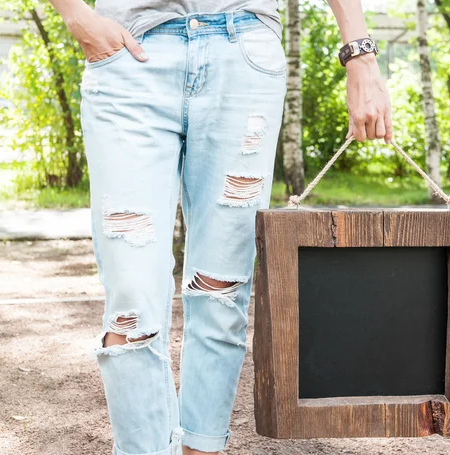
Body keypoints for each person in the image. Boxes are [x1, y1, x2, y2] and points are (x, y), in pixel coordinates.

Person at [48, 0, 393, 454]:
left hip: (244, 56)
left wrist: (361, 54)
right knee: (131, 299)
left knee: (220, 289)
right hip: (130, 58)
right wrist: (76, 15)